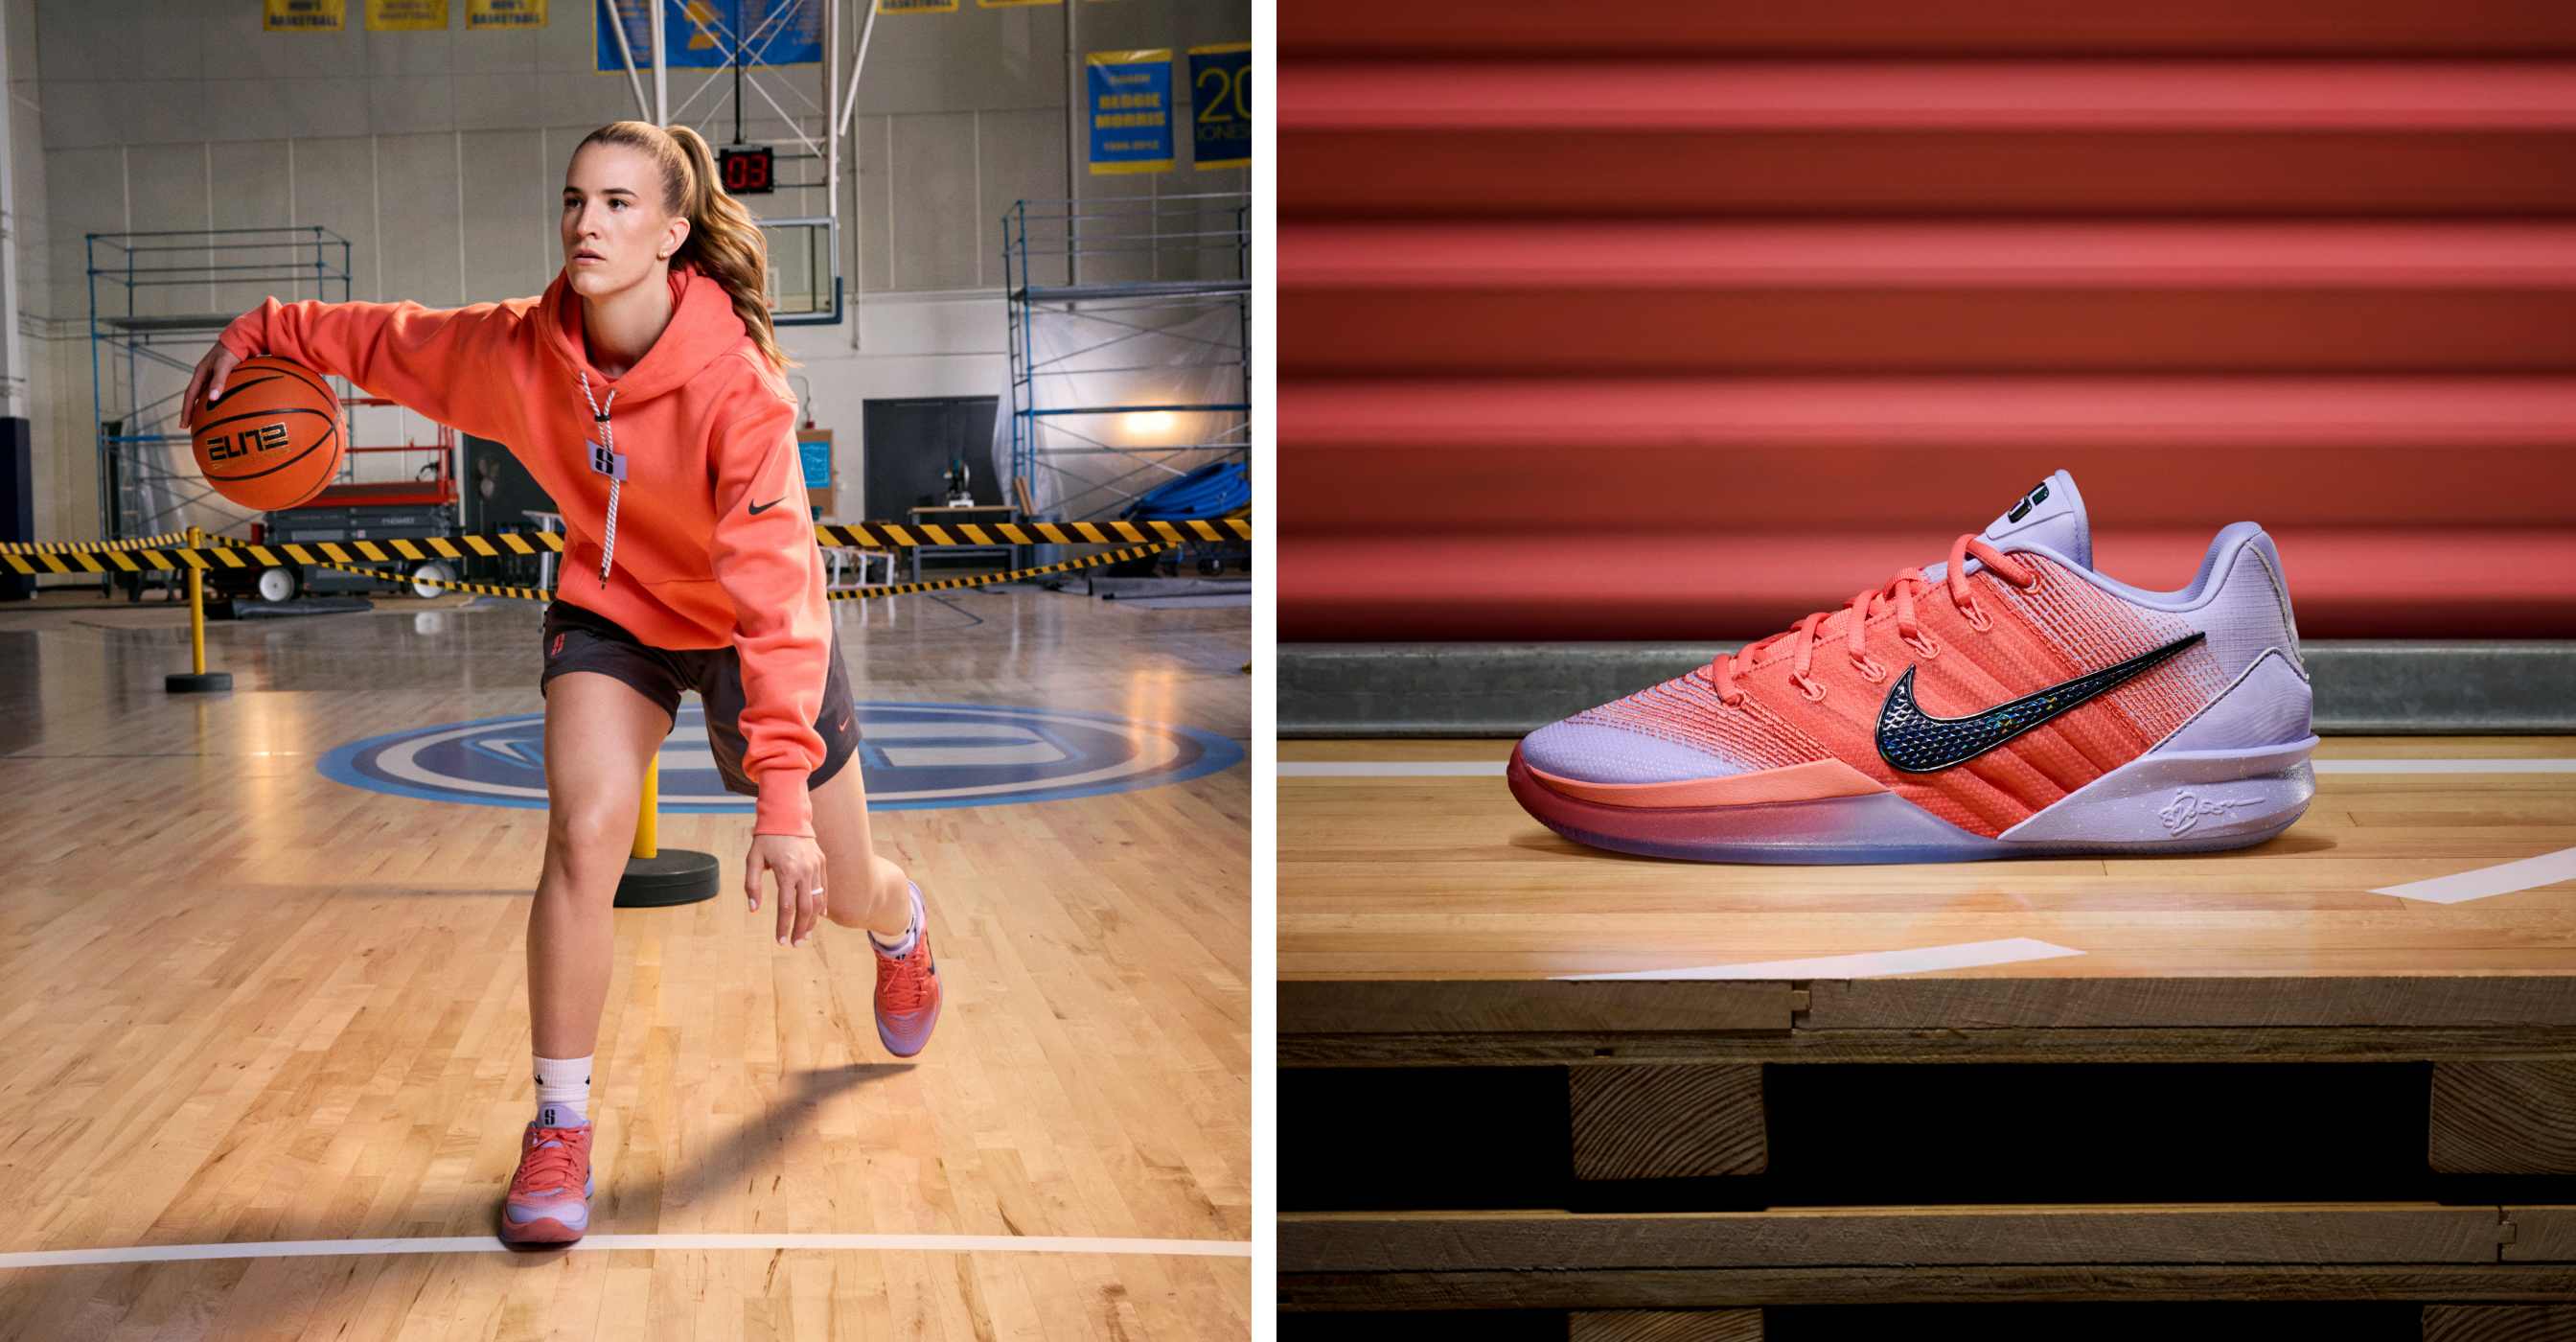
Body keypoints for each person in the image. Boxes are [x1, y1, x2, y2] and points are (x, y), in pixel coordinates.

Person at [182, 121, 943, 1248]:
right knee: (585, 837)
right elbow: (388, 340)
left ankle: (902, 920)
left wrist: (780, 802)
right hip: (614, 605)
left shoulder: (740, 391)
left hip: (746, 628)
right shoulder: (521, 351)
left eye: (620, 204)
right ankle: (560, 1123)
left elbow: (782, 604)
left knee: (840, 886)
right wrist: (262, 329)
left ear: (673, 233)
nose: (588, 222)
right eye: (576, 199)